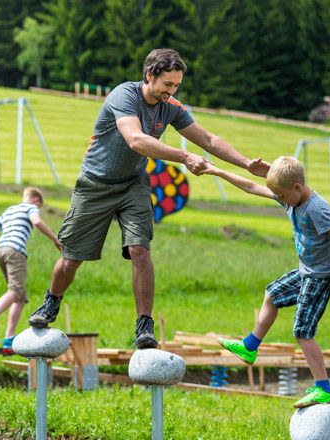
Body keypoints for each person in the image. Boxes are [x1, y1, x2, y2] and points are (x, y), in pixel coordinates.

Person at [27, 48, 270, 349]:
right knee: (72, 257)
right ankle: (51, 302)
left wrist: (247, 163)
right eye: (168, 84)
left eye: (177, 85)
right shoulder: (124, 96)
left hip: (134, 185)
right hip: (95, 184)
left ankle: (144, 324)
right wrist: (183, 157)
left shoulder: (171, 107)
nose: (172, 91)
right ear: (149, 75)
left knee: (140, 249)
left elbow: (208, 140)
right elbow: (136, 140)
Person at [202, 156, 330, 408]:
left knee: (303, 332)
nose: (280, 201)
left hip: (323, 276)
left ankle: (324, 389)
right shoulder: (290, 196)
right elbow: (251, 186)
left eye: (282, 196)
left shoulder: (317, 209)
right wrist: (218, 173)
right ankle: (249, 347)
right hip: (308, 271)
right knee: (272, 294)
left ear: (296, 187)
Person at [0, 188, 62, 352]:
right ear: (36, 200)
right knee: (16, 291)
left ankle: (9, 338)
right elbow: (37, 222)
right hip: (15, 251)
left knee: (20, 296)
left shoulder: (10, 210)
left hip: (1, 250)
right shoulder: (31, 208)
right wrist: (54, 239)